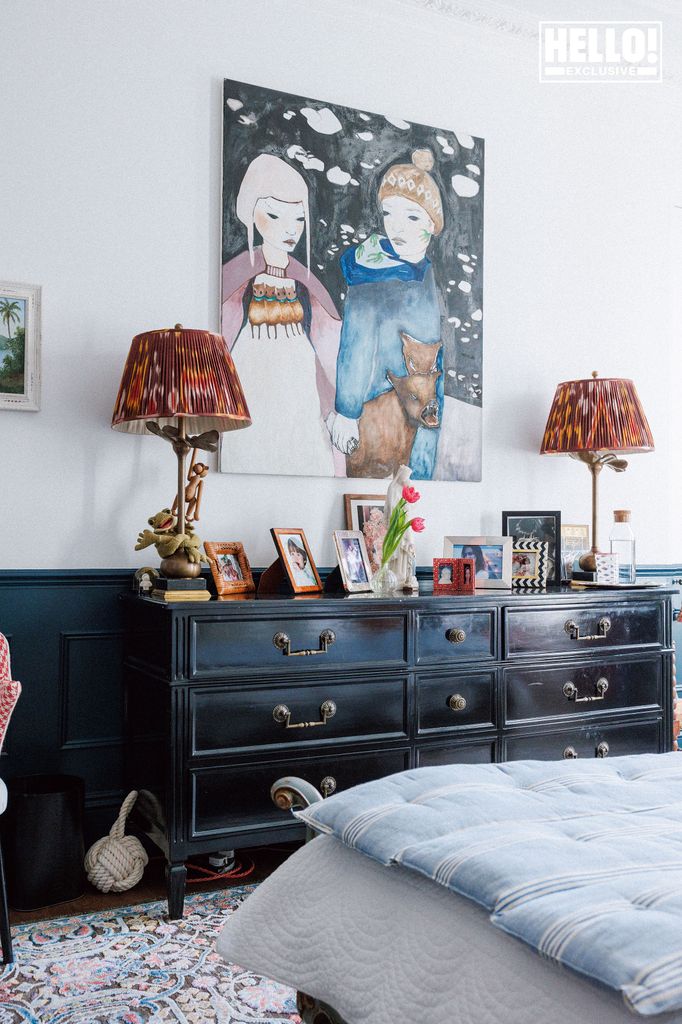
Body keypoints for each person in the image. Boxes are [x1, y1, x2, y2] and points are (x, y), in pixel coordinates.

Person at [221, 154, 343, 477]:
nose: (290, 229)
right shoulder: (235, 280)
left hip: (299, 401)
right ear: (251, 214)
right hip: (251, 392)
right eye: (274, 214)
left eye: (299, 218)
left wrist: (342, 409)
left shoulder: (307, 285)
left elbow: (332, 349)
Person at [328, 150, 444, 479]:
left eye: (412, 217)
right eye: (389, 213)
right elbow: (356, 340)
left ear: (432, 225)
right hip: (373, 408)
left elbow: (435, 357)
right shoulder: (369, 271)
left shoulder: (425, 273)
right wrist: (347, 411)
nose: (397, 227)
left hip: (417, 412)